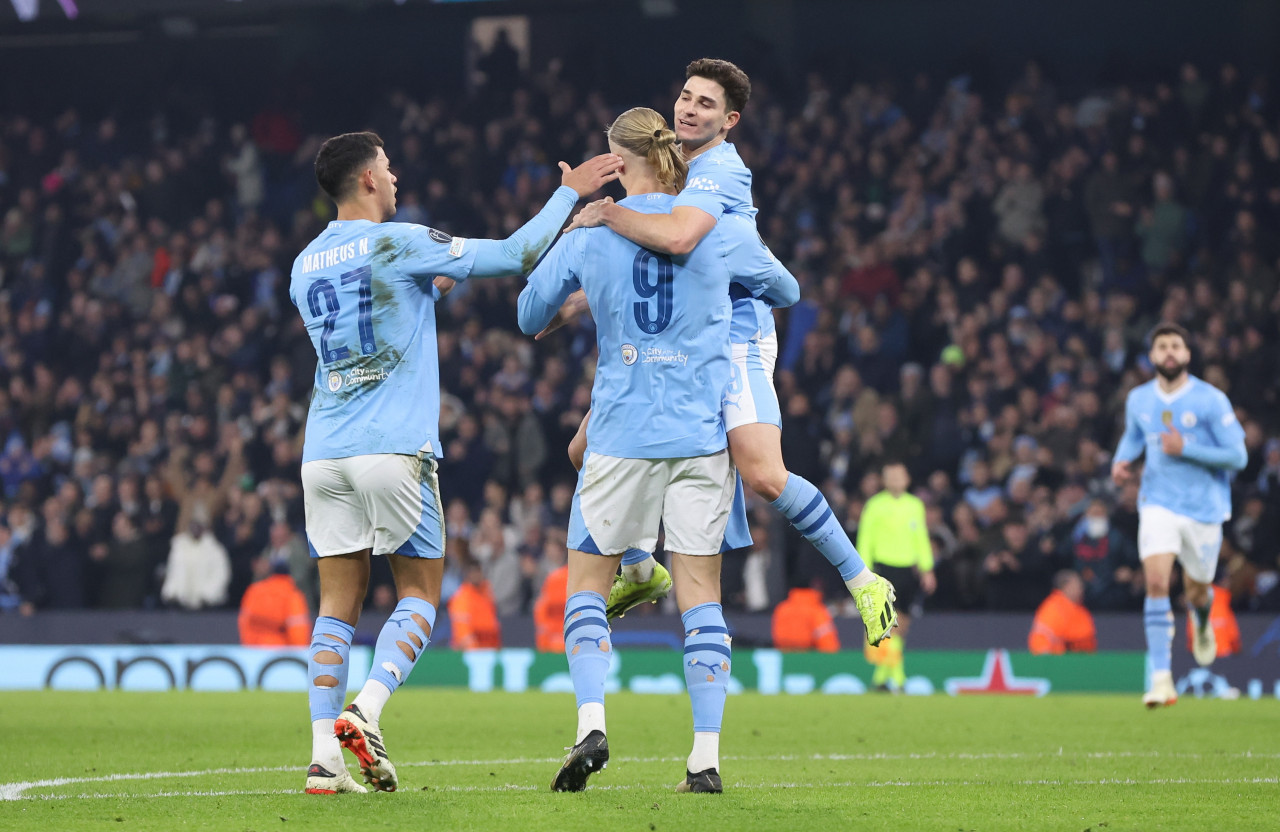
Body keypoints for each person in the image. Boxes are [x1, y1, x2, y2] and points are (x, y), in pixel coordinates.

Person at [290, 130, 620, 795]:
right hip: (392, 447)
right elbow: (517, 254)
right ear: (365, 182)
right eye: (387, 168)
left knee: (336, 607)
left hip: (323, 452)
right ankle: (368, 709)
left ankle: (324, 757)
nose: (396, 177)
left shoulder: (303, 264)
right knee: (418, 594)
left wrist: (427, 290)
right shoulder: (398, 239)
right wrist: (568, 193)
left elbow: (376, 314)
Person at [550, 58, 896, 646]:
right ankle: (639, 569)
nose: (688, 108)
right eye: (685, 96)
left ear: (729, 120)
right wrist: (580, 299)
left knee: (762, 474)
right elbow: (647, 258)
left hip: (732, 333)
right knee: (585, 448)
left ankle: (863, 580)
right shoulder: (667, 165)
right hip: (675, 335)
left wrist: (607, 213)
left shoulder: (721, 172)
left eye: (706, 104)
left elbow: (682, 238)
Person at [518, 106, 797, 795]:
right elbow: (787, 289)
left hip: (618, 435)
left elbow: (528, 315)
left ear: (615, 162)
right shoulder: (718, 228)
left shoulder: (592, 234)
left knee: (586, 587)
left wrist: (580, 250)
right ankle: (704, 759)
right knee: (701, 598)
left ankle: (591, 723)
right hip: (700, 438)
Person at [1111, 322, 1247, 708]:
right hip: (1157, 503)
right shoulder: (1138, 399)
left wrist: (1185, 447)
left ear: (1187, 354)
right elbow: (1136, 435)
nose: (1169, 352)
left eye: (1176, 346)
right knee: (1156, 582)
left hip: (1204, 509)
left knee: (1196, 590)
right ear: (1152, 356)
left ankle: (1201, 620)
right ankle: (1161, 679)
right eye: (1162, 347)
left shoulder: (1210, 400)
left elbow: (1238, 456)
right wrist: (1123, 459)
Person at [856, 461, 934, 690]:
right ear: (884, 480)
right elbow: (865, 538)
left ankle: (881, 679)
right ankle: (898, 679)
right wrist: (863, 570)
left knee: (903, 625)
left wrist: (927, 568)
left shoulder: (915, 505)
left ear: (907, 479)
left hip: (908, 570)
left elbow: (921, 537)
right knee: (887, 626)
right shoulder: (874, 505)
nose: (895, 480)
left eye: (899, 476)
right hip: (882, 569)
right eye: (890, 476)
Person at [239, 556, 312, 647]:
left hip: (256, 651)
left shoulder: (254, 591)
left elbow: (245, 622)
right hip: (281, 653)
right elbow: (298, 629)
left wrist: (250, 645)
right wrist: (298, 653)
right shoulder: (293, 595)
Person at [1028, 570, 1097, 654]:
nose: (1081, 589)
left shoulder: (1081, 610)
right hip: (1057, 661)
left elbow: (1088, 641)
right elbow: (1041, 639)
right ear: (1066, 586)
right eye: (1078, 585)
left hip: (1080, 661)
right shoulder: (1053, 607)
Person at [771, 581, 840, 652]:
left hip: (785, 656)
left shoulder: (781, 608)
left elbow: (777, 637)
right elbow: (827, 642)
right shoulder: (816, 609)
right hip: (808, 657)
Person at [447, 562, 502, 650]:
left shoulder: (487, 593)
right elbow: (463, 631)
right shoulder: (462, 598)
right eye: (473, 573)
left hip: (489, 647)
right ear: (468, 576)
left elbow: (493, 623)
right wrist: (475, 652)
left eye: (478, 572)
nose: (476, 576)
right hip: (470, 652)